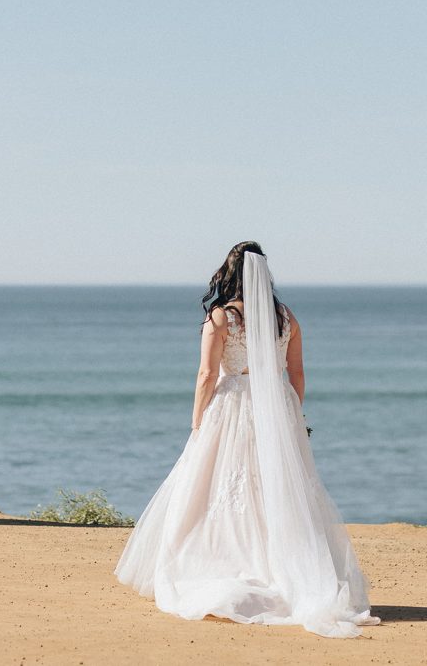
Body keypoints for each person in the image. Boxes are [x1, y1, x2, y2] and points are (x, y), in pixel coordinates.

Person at [115, 241, 380, 638]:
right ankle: (289, 572)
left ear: (230, 272)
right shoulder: (285, 317)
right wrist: (290, 413)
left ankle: (218, 566)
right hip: (277, 406)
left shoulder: (221, 318)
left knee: (216, 487)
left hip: (232, 406)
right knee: (276, 489)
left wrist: (197, 420)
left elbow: (206, 374)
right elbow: (297, 372)